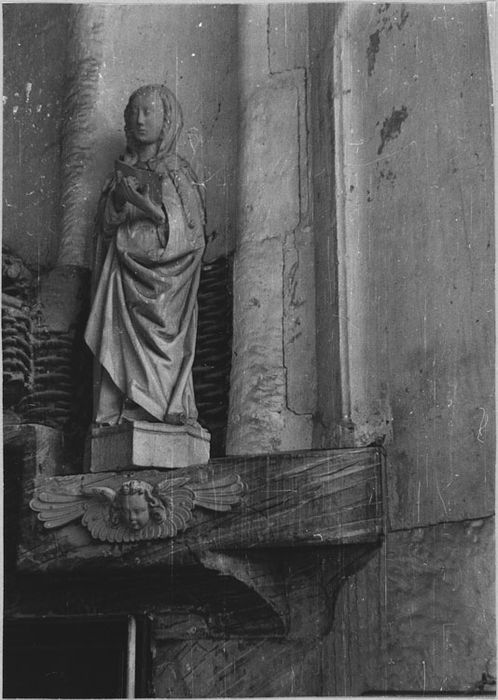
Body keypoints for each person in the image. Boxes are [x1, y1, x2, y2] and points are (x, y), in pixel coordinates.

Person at [84, 84, 205, 426]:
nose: (139, 120)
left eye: (148, 112)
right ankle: (122, 407)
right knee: (117, 336)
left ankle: (159, 405)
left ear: (166, 120)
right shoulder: (120, 173)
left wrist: (150, 208)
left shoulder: (177, 172)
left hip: (166, 286)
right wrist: (119, 201)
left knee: (163, 330)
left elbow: (190, 236)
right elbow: (104, 231)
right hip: (123, 280)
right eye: (134, 112)